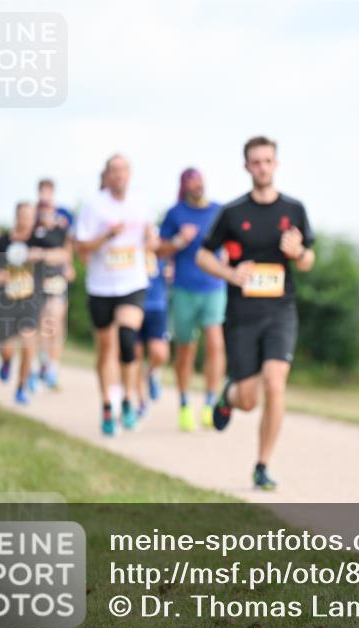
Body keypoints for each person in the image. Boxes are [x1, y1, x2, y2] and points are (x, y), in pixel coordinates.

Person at [197, 136, 315, 490]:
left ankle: (262, 464)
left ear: (275, 164)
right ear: (247, 167)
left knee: (275, 382)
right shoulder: (233, 213)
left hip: (280, 309)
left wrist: (297, 253)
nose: (262, 167)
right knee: (249, 400)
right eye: (256, 162)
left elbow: (308, 261)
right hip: (242, 314)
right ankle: (229, 396)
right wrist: (230, 273)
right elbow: (203, 255)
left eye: (268, 160)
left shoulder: (294, 210)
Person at [75, 155, 158, 436]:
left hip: (132, 282)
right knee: (105, 350)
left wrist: (151, 241)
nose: (119, 175)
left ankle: (127, 401)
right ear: (107, 176)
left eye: (123, 170)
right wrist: (106, 237)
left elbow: (151, 238)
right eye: (114, 171)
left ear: (129, 174)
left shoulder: (141, 203)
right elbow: (81, 248)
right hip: (100, 286)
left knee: (126, 339)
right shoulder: (93, 207)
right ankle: (107, 405)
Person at [158, 168, 226, 431]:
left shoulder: (219, 211)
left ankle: (210, 403)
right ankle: (185, 404)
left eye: (200, 180)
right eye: (192, 182)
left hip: (214, 286)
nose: (198, 185)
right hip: (184, 288)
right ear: (184, 187)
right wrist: (178, 240)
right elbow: (160, 250)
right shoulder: (175, 214)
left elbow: (232, 244)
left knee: (215, 344)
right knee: (186, 350)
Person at [0, 203, 45, 405]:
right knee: (7, 349)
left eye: (30, 216)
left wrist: (41, 255)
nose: (26, 220)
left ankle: (20, 389)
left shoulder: (39, 241)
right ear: (16, 217)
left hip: (30, 302)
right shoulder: (2, 242)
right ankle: (6, 361)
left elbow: (62, 254)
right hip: (6, 303)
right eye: (23, 215)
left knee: (29, 346)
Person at [34, 179, 75, 389]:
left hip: (57, 276)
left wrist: (69, 264)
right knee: (42, 322)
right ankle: (41, 360)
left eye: (49, 192)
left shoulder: (65, 217)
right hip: (37, 277)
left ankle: (53, 368)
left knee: (56, 320)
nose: (46, 196)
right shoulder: (32, 217)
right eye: (42, 192)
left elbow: (70, 243)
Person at [135, 251, 171, 417]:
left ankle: (151, 372)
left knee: (160, 354)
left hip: (157, 306)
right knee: (134, 356)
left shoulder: (161, 247)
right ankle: (141, 401)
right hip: (133, 304)